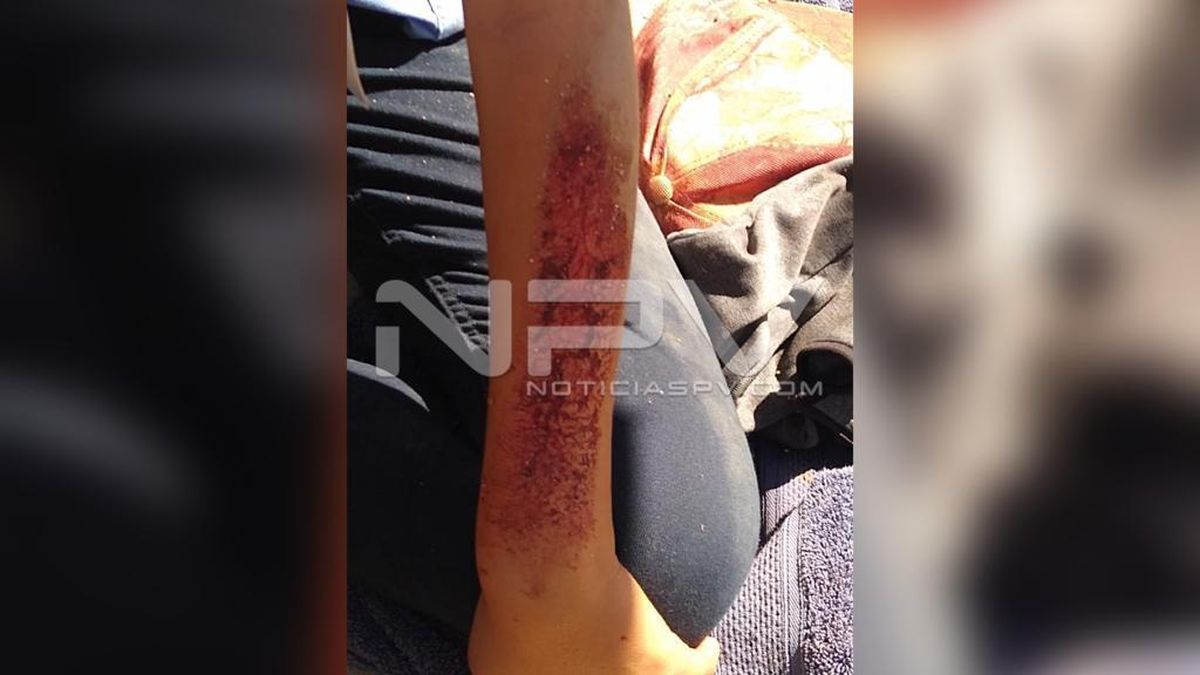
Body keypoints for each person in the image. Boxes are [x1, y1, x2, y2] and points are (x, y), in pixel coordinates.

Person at [346, 1, 760, 672]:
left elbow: (539, 14)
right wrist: (546, 581)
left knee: (667, 547)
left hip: (401, 34)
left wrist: (549, 570)